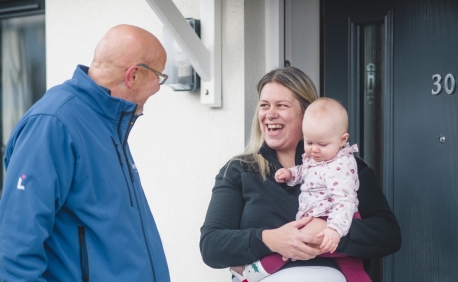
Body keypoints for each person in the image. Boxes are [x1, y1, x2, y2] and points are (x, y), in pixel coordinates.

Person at [0, 24, 171, 281]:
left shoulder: (107, 122)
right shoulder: (55, 123)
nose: (159, 87)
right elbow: (16, 247)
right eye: (159, 76)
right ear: (133, 75)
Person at [200, 66, 401, 282]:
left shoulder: (346, 167)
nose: (270, 114)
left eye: (281, 105)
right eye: (264, 105)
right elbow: (211, 245)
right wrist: (269, 239)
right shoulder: (239, 170)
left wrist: (329, 232)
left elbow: (388, 235)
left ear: (306, 113)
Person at [230, 97, 369, 282]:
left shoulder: (343, 165)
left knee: (289, 249)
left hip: (332, 219)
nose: (314, 150)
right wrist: (290, 174)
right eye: (309, 143)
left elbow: (345, 201)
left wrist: (334, 229)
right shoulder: (316, 159)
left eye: (322, 144)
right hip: (321, 220)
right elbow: (306, 171)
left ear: (343, 140)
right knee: (351, 268)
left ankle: (253, 273)